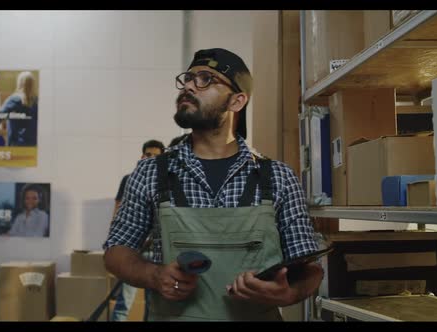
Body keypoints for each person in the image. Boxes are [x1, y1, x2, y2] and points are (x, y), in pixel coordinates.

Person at [103, 48, 323, 321]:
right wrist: (155, 274)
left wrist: (289, 293)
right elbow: (116, 250)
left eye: (205, 79)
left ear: (237, 101)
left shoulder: (277, 177)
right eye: (188, 79)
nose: (188, 86)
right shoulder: (151, 172)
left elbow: (310, 266)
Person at [110, 139, 165, 322]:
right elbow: (118, 211)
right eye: (147, 155)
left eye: (155, 156)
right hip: (133, 252)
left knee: (152, 305)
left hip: (156, 253)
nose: (150, 159)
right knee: (124, 301)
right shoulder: (129, 179)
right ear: (141, 156)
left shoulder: (165, 182)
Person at [0, 71, 38, 146]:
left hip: (15, 145)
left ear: (19, 83)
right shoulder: (37, 101)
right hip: (33, 146)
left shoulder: (14, 99)